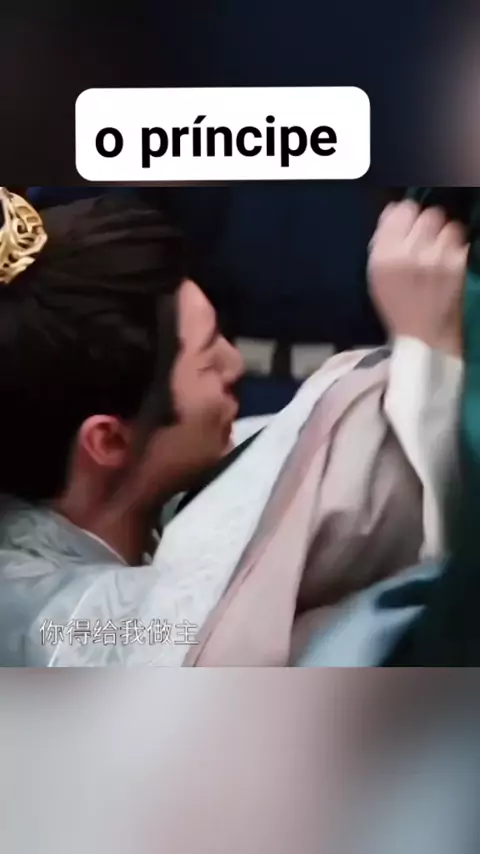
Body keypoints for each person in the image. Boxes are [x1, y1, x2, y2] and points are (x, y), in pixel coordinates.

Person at [0, 189, 465, 666]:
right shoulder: (46, 627)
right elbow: (207, 632)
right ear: (108, 439)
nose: (235, 363)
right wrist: (426, 352)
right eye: (208, 358)